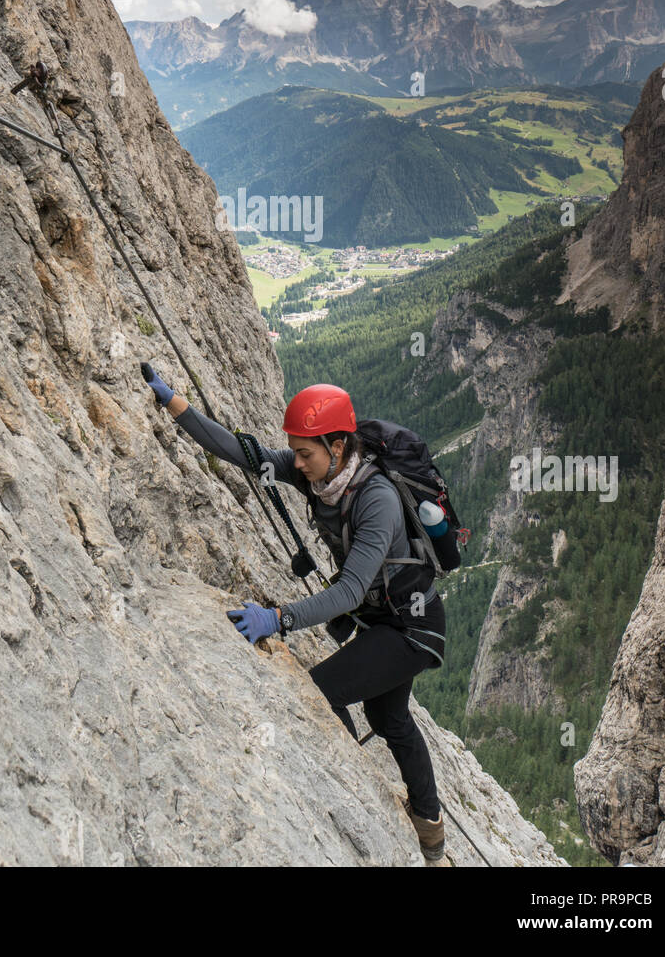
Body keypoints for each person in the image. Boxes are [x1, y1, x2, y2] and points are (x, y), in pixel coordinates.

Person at [141, 366, 452, 864]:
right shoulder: (321, 473)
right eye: (297, 452)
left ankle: (358, 798)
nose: (297, 463)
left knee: (322, 693)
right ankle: (430, 827)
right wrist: (176, 405)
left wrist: (277, 618)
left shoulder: (376, 499)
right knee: (387, 715)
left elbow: (350, 590)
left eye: (305, 452)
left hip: (412, 628)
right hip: (388, 619)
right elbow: (250, 457)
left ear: (337, 444)